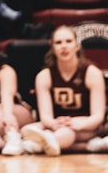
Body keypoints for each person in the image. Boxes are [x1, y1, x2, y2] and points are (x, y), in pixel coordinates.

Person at [21, 25, 108, 155]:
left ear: (77, 45)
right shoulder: (44, 76)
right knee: (26, 130)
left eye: (68, 41)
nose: (64, 46)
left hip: (86, 124)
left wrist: (79, 124)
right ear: (52, 47)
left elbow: (98, 116)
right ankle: (85, 146)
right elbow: (45, 116)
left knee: (66, 133)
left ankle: (40, 145)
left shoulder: (91, 73)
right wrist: (54, 124)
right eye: (58, 42)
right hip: (57, 123)